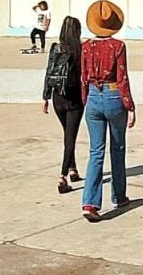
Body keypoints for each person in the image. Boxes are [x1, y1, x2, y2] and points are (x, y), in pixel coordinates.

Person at [79, 0, 135, 222]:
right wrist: (129, 105)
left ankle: (90, 202)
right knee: (118, 148)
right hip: (113, 95)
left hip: (93, 95)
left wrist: (86, 101)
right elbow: (122, 77)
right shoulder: (118, 47)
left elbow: (83, 77)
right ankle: (119, 195)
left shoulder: (85, 47)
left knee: (96, 151)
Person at [41, 16, 84, 194]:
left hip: (58, 98)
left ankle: (73, 169)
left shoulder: (55, 48)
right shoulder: (80, 49)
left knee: (68, 133)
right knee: (70, 137)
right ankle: (63, 175)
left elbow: (49, 70)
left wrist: (45, 97)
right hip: (74, 98)